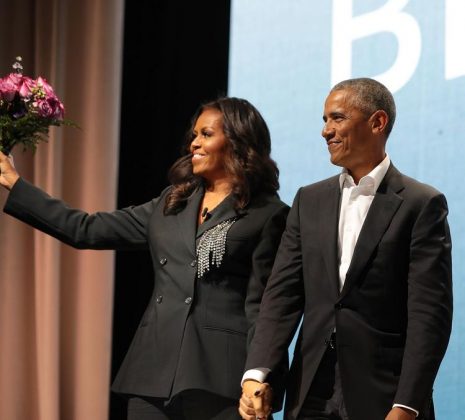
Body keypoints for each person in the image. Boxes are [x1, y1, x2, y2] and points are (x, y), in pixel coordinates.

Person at [0, 97, 289, 420]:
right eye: (194, 135)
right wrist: (16, 184)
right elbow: (86, 229)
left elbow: (268, 308)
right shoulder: (172, 203)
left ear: (237, 141)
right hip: (152, 374)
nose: (194, 143)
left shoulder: (269, 215)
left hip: (220, 377)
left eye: (206, 134)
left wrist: (261, 377)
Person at [239, 78, 452, 420]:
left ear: (377, 122)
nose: (326, 131)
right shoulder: (309, 199)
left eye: (336, 118)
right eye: (324, 120)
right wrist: (257, 372)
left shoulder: (421, 204)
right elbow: (282, 295)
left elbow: (430, 316)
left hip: (384, 395)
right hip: (310, 391)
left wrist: (407, 403)